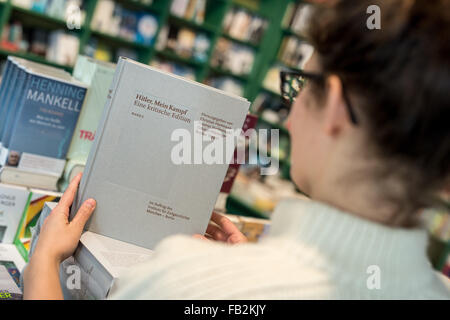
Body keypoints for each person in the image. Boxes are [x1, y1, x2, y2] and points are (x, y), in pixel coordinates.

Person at [23, 0, 450, 299]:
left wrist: (43, 263)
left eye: (299, 85)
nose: (290, 112)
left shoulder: (187, 280)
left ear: (335, 107)